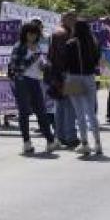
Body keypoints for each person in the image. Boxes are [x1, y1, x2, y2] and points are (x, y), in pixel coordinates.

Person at [8, 22, 59, 154]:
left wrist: (44, 64)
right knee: (24, 112)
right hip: (22, 81)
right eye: (30, 33)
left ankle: (50, 140)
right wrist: (33, 58)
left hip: (36, 81)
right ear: (25, 34)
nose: (32, 36)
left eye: (35, 34)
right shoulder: (19, 46)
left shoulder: (38, 46)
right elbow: (16, 67)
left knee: (41, 111)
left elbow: (39, 63)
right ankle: (26, 143)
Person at [63, 20, 102, 156]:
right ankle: (98, 143)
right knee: (91, 113)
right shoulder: (94, 42)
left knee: (79, 113)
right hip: (89, 77)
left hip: (73, 78)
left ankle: (85, 143)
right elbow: (97, 60)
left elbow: (65, 63)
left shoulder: (70, 43)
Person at [47, 12, 80, 148]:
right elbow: (64, 55)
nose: (75, 21)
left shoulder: (56, 32)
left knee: (60, 107)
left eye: (75, 18)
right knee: (71, 106)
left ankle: (59, 136)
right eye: (72, 18)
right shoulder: (64, 34)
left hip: (57, 73)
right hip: (67, 73)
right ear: (65, 19)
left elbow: (51, 55)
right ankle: (71, 137)